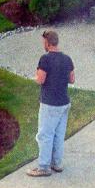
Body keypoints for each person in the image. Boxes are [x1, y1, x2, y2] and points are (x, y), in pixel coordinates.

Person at [27, 29, 75, 177]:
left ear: (47, 43)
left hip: (50, 103)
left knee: (45, 135)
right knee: (58, 135)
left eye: (44, 42)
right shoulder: (67, 59)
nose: (43, 45)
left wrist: (35, 76)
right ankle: (57, 163)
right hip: (64, 103)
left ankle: (43, 167)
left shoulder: (45, 59)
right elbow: (72, 79)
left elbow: (40, 79)